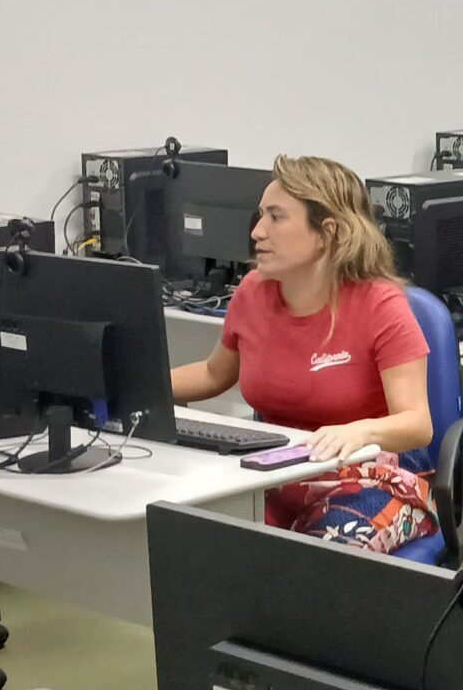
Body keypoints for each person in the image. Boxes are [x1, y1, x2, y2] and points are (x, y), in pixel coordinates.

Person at [169, 154, 433, 540]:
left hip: (366, 476)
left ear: (327, 232)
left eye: (276, 217)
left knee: (319, 553)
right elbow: (213, 374)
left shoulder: (380, 305)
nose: (257, 231)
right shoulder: (252, 292)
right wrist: (140, 387)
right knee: (201, 535)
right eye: (261, 215)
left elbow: (417, 423)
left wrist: (360, 431)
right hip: (275, 472)